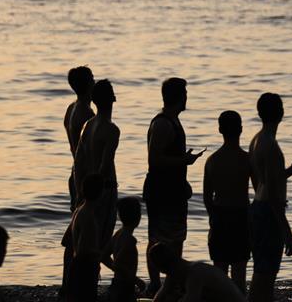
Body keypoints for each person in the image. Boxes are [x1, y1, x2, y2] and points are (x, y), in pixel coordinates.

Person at [143, 77, 204, 296]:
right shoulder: (162, 123)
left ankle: (170, 283)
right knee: (160, 238)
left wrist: (182, 173)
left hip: (172, 189)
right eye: (185, 93)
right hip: (162, 192)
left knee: (175, 238)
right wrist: (184, 161)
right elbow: (155, 159)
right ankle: (157, 284)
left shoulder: (172, 121)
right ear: (179, 97)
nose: (187, 97)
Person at [247, 93, 292, 302]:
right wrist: (287, 232)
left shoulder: (256, 140)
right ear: (281, 114)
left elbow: (262, 181)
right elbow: (272, 194)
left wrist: (289, 171)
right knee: (266, 275)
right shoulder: (271, 146)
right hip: (268, 213)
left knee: (261, 270)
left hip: (257, 206)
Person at [203, 111, 252, 293]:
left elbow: (208, 198)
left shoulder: (212, 161)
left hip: (219, 218)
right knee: (239, 277)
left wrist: (213, 218)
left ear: (219, 130)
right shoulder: (247, 159)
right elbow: (262, 186)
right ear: (240, 129)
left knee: (220, 277)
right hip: (240, 218)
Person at [74, 80, 120, 251]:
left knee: (87, 240)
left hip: (88, 189)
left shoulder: (88, 125)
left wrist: (81, 191)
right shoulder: (112, 130)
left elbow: (78, 163)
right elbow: (105, 166)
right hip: (104, 190)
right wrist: (99, 191)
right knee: (101, 241)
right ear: (113, 98)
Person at [150, 243, 246, 302]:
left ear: (163, 269)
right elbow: (161, 296)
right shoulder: (176, 271)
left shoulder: (195, 273)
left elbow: (190, 300)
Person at [65, 174, 105, 302]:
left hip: (77, 265)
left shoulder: (79, 211)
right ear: (101, 193)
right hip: (85, 268)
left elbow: (66, 240)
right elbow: (84, 250)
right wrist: (101, 254)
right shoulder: (89, 217)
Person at [102, 197, 146, 302]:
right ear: (138, 217)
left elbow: (103, 256)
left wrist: (115, 269)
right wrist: (136, 280)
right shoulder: (129, 241)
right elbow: (118, 264)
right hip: (125, 288)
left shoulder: (118, 234)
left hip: (116, 284)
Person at [64, 66, 95, 211]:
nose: (95, 83)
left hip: (75, 173)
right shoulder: (87, 114)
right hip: (85, 175)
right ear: (89, 84)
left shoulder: (71, 109)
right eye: (93, 79)